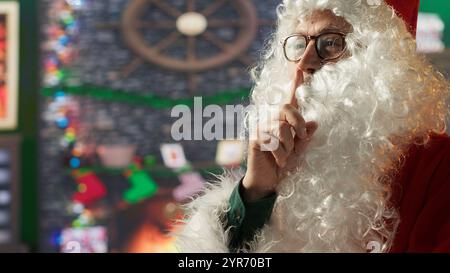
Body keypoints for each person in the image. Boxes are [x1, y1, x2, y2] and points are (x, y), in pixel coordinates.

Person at [174, 0, 450, 253]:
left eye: (331, 43)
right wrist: (256, 191)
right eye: (298, 44)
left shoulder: (439, 168)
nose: (305, 62)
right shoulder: (277, 166)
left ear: (384, 61)